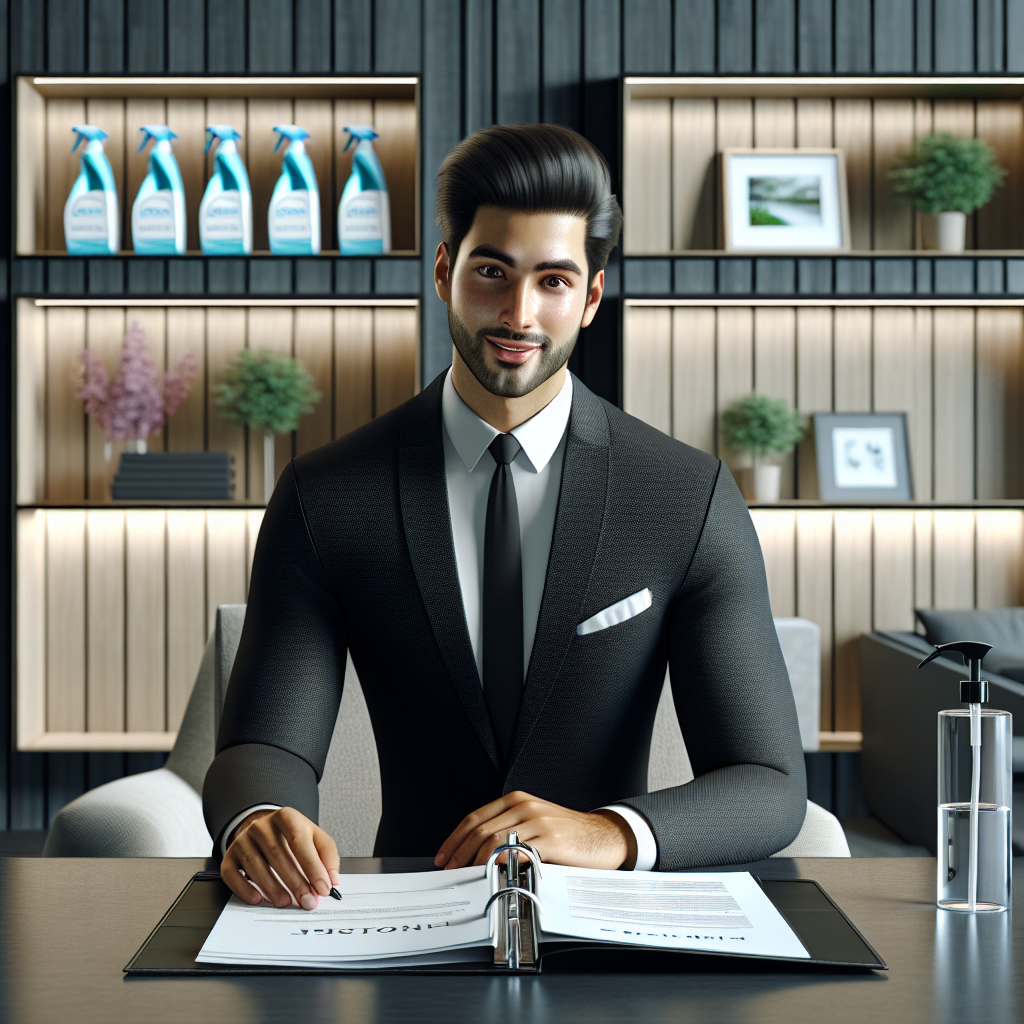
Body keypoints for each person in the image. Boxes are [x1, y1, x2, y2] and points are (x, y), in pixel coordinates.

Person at [203, 124, 807, 912]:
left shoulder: (685, 495)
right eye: (493, 272)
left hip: (613, 934)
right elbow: (264, 742)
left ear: (591, 298)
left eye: (554, 281)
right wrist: (260, 817)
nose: (519, 313)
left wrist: (611, 833)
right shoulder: (327, 494)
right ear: (446, 272)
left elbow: (768, 784)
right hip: (405, 923)